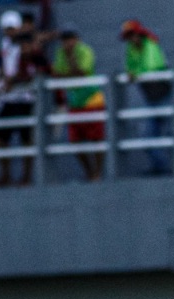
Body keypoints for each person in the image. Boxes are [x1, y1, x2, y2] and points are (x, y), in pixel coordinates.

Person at [0, 31, 46, 186]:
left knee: (26, 139)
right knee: (0, 138)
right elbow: (5, 73)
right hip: (9, 100)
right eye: (22, 45)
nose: (24, 47)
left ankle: (26, 176)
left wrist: (12, 80)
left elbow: (34, 74)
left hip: (26, 100)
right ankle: (5, 174)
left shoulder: (37, 56)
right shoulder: (12, 54)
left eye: (27, 44)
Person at [53, 26, 106, 182]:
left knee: (96, 139)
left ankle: (98, 173)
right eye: (64, 39)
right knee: (75, 141)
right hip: (74, 101)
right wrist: (67, 71)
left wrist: (69, 64)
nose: (67, 43)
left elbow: (81, 72)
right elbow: (56, 74)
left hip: (91, 99)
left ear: (76, 39)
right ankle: (90, 172)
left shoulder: (85, 51)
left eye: (70, 38)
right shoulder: (60, 53)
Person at [121, 20, 172, 175]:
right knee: (148, 136)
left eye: (132, 34)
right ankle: (162, 167)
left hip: (164, 95)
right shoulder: (131, 48)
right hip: (150, 97)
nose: (131, 39)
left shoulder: (150, 43)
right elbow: (129, 68)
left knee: (173, 134)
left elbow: (150, 67)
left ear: (139, 33)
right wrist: (133, 73)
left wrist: (134, 74)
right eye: (128, 36)